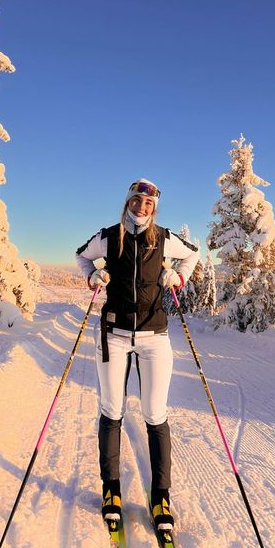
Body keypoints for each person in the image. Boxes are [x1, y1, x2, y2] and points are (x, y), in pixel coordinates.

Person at [76, 178, 199, 530]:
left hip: (153, 335)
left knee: (154, 413)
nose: (141, 208)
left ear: (154, 208)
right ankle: (111, 491)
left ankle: (161, 497)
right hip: (113, 335)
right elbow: (81, 256)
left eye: (148, 204)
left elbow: (192, 254)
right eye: (136, 201)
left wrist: (177, 277)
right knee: (112, 410)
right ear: (128, 202)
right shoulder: (109, 236)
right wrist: (93, 277)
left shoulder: (163, 237)